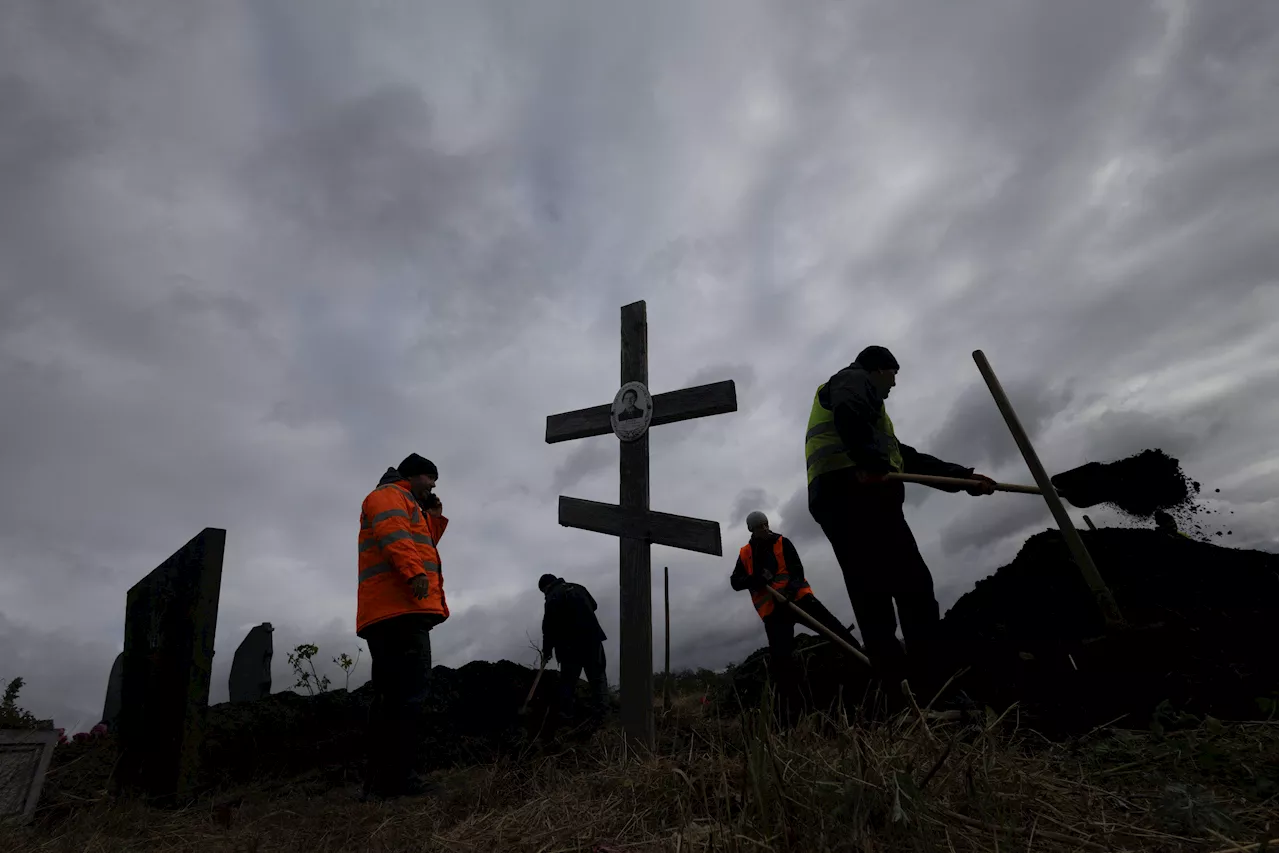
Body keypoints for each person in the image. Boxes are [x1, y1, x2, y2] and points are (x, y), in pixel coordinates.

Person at [804, 345, 996, 705]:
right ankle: (934, 690)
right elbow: (852, 413)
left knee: (871, 596)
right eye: (893, 376)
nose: (894, 386)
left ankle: (897, 697)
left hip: (838, 499)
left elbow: (908, 460)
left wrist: (965, 479)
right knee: (913, 590)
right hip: (858, 495)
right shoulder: (852, 380)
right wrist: (869, 462)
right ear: (879, 369)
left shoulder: (872, 425)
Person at [356, 453, 449, 799]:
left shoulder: (404, 502)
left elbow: (420, 543)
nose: (434, 485)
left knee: (393, 698)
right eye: (430, 478)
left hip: (392, 614)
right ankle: (397, 781)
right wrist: (414, 573)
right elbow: (395, 536)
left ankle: (380, 784)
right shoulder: (389, 496)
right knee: (406, 698)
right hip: (398, 613)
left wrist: (433, 518)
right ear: (412, 477)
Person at [730, 511, 864, 721]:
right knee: (782, 660)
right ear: (751, 530)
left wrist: (790, 592)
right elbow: (735, 582)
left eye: (765, 524)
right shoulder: (745, 554)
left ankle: (864, 667)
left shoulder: (783, 542)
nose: (764, 529)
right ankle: (794, 711)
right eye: (759, 527)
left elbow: (797, 571)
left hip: (799, 600)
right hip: (773, 613)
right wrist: (752, 580)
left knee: (834, 630)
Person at [539, 574, 609, 724]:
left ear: (546, 587)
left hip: (570, 647)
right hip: (592, 640)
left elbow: (549, 629)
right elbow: (594, 605)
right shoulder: (578, 588)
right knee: (598, 678)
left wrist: (547, 651)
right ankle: (603, 715)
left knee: (568, 682)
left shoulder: (552, 597)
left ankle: (567, 716)